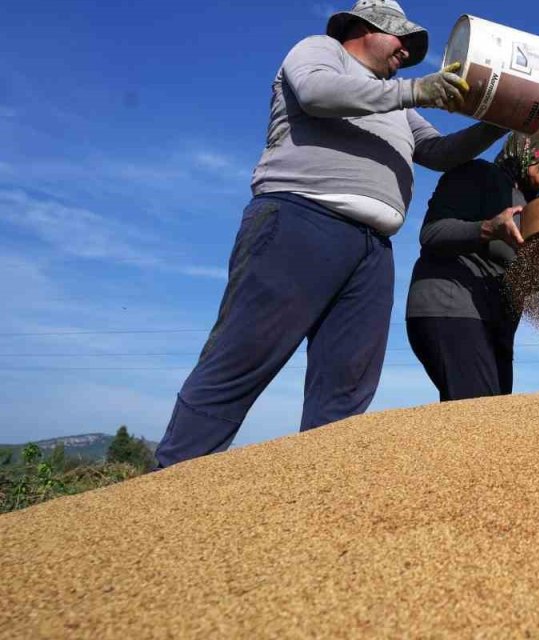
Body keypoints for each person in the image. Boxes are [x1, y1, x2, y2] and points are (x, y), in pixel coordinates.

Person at [154, 0, 509, 468]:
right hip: (300, 220)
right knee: (243, 356)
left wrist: (499, 120)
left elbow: (441, 151)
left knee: (347, 382)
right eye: (402, 40)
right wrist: (415, 90)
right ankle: (173, 478)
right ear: (364, 28)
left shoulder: (396, 101)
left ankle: (319, 492)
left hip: (372, 250)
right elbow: (319, 94)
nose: (407, 53)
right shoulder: (320, 51)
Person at [405, 134, 539, 401]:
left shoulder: (537, 210)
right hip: (453, 310)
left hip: (496, 326)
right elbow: (432, 234)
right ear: (528, 147)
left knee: (492, 423)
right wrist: (488, 228)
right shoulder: (478, 174)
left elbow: (522, 278)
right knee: (478, 416)